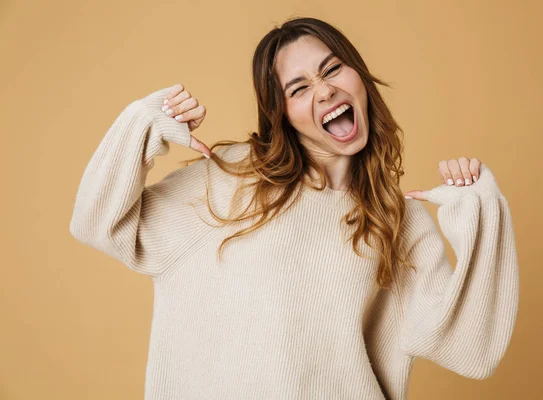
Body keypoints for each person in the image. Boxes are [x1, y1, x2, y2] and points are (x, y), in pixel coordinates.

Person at [69, 16, 519, 400]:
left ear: (358, 77)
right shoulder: (228, 180)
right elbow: (97, 225)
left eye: (333, 70)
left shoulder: (398, 221)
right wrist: (141, 124)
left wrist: (481, 216)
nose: (324, 92)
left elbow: (471, 349)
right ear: (280, 112)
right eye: (298, 88)